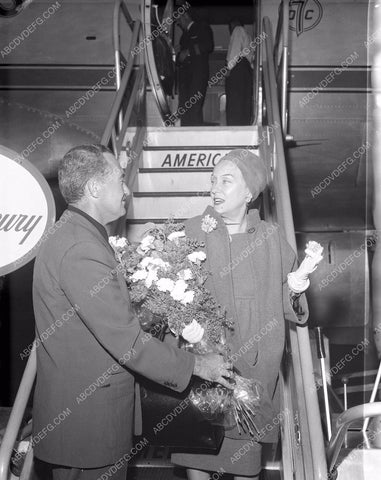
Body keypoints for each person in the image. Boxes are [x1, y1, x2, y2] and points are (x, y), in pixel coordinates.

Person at [31, 144, 232, 480]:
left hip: (82, 425)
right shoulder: (83, 249)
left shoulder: (76, 236)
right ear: (95, 188)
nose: (126, 190)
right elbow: (126, 341)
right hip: (88, 429)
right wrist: (200, 365)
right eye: (120, 180)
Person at [171, 149, 309, 480]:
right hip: (205, 371)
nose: (216, 188)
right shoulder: (190, 232)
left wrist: (295, 288)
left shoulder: (271, 239)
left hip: (253, 376)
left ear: (249, 192)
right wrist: (180, 324)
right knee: (198, 457)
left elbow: (289, 302)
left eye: (226, 181)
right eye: (213, 180)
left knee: (247, 467)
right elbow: (168, 294)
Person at [176, 9, 214, 126]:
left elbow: (208, 46)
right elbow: (180, 58)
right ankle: (184, 140)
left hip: (198, 75)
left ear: (186, 16)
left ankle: (195, 141)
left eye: (179, 19)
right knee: (183, 108)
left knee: (194, 108)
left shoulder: (202, 27)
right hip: (185, 78)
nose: (178, 23)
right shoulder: (183, 37)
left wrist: (188, 51)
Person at [225, 19, 254, 126]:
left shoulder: (238, 30)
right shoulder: (248, 36)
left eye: (230, 27)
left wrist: (228, 68)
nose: (230, 30)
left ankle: (234, 130)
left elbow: (235, 50)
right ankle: (243, 128)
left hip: (238, 70)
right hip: (246, 71)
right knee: (243, 104)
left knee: (234, 103)